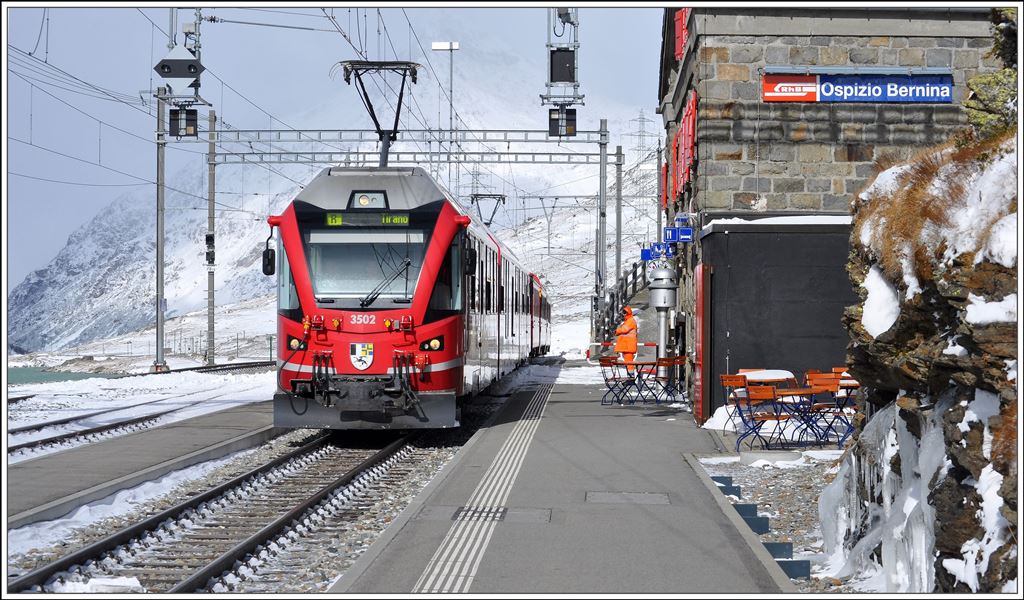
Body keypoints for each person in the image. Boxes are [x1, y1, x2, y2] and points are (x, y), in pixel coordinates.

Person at [614, 305, 638, 375]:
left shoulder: (630, 321)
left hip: (629, 345)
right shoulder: (628, 321)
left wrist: (616, 331)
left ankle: (631, 376)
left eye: (625, 312)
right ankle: (630, 375)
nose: (623, 314)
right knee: (628, 362)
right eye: (623, 312)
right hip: (627, 345)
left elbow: (624, 329)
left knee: (629, 362)